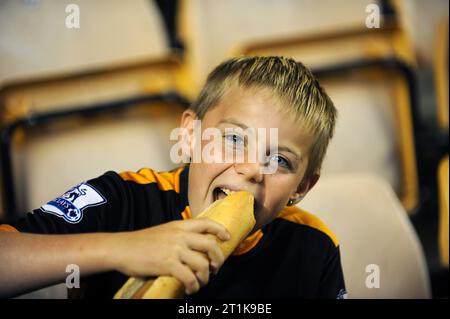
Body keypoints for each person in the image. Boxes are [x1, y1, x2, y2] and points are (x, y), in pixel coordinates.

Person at [0, 56, 346, 299]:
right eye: (235, 139)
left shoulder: (314, 247)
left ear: (301, 188)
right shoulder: (123, 199)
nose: (254, 169)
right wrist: (118, 249)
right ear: (191, 137)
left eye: (280, 160)